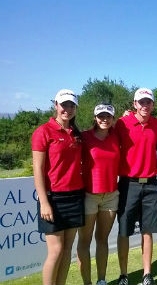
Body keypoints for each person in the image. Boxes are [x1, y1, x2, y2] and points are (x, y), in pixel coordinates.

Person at [32, 89, 84, 285]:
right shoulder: (43, 131)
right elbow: (37, 169)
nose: (67, 109)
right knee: (55, 251)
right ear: (56, 105)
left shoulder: (77, 134)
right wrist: (44, 202)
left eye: (71, 105)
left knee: (67, 250)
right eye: (64, 105)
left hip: (75, 196)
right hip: (53, 198)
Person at [115, 88, 157, 285]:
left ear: (152, 105)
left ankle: (147, 274)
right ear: (134, 104)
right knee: (124, 231)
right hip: (128, 184)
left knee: (147, 231)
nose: (145, 105)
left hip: (151, 184)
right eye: (141, 102)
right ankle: (124, 274)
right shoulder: (121, 123)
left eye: (148, 102)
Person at [77, 104, 120, 285]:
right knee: (85, 241)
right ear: (95, 118)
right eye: (101, 116)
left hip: (111, 195)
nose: (104, 119)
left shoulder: (116, 137)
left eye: (108, 116)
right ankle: (87, 282)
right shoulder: (84, 137)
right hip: (89, 196)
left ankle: (101, 280)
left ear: (113, 119)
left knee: (102, 239)